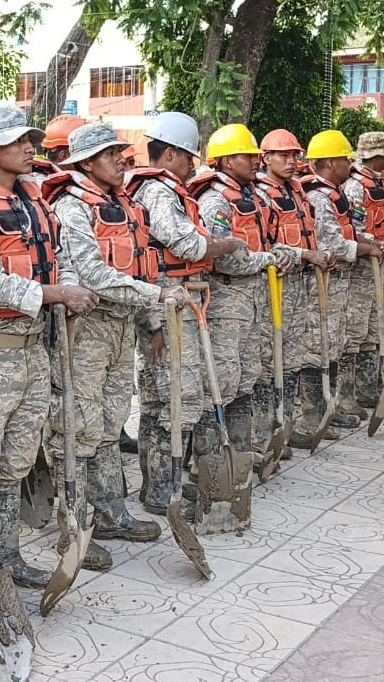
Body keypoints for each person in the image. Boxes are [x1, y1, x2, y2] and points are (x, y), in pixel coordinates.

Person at [0, 104, 98, 591]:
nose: (31, 148)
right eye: (18, 142)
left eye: (30, 140)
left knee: (15, 461)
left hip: (36, 347)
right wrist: (56, 295)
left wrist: (69, 290)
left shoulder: (36, 204)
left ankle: (5, 559)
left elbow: (61, 260)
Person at [45, 123, 180, 559]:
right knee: (77, 425)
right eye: (110, 154)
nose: (122, 159)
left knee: (110, 420)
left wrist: (153, 319)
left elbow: (142, 267)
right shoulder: (71, 207)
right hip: (85, 329)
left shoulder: (123, 205)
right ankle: (75, 525)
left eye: (122, 152)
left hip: (121, 325)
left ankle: (110, 511)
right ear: (85, 162)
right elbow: (92, 275)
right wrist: (156, 295)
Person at [128, 113, 245, 529]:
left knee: (174, 395)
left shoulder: (166, 189)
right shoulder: (158, 192)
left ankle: (164, 483)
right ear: (172, 153)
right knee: (175, 395)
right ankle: (162, 487)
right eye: (187, 158)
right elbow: (188, 243)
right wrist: (225, 245)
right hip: (165, 300)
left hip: (182, 296)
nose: (192, 166)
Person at [188, 125, 296, 470]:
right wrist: (269, 259)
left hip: (255, 299)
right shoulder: (215, 200)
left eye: (254, 155)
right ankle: (207, 464)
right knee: (220, 380)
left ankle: (240, 451)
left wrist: (282, 252)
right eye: (246, 155)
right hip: (225, 302)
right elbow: (225, 258)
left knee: (248, 374)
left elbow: (262, 242)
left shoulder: (254, 196)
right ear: (224, 161)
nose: (254, 160)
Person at [303, 132, 384, 430]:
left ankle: (331, 404)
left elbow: (350, 231)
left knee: (336, 342)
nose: (350, 164)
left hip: (341, 280)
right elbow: (333, 244)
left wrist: (370, 240)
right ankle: (314, 415)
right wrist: (366, 248)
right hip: (323, 281)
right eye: (344, 159)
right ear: (330, 162)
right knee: (320, 345)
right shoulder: (318, 197)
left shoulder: (334, 193)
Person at [258, 130, 335, 445]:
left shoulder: (298, 191)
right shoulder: (261, 194)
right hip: (274, 286)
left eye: (295, 156)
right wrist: (305, 254)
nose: (291, 162)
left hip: (301, 285)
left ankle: (287, 428)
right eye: (283, 156)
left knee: (292, 358)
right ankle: (266, 431)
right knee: (270, 359)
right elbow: (264, 242)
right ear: (266, 158)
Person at [342, 132, 384, 414]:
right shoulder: (355, 186)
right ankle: (347, 395)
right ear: (375, 156)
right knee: (355, 329)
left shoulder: (381, 182)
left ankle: (368, 388)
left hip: (379, 262)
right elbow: (354, 227)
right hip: (360, 267)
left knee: (374, 327)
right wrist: (372, 243)